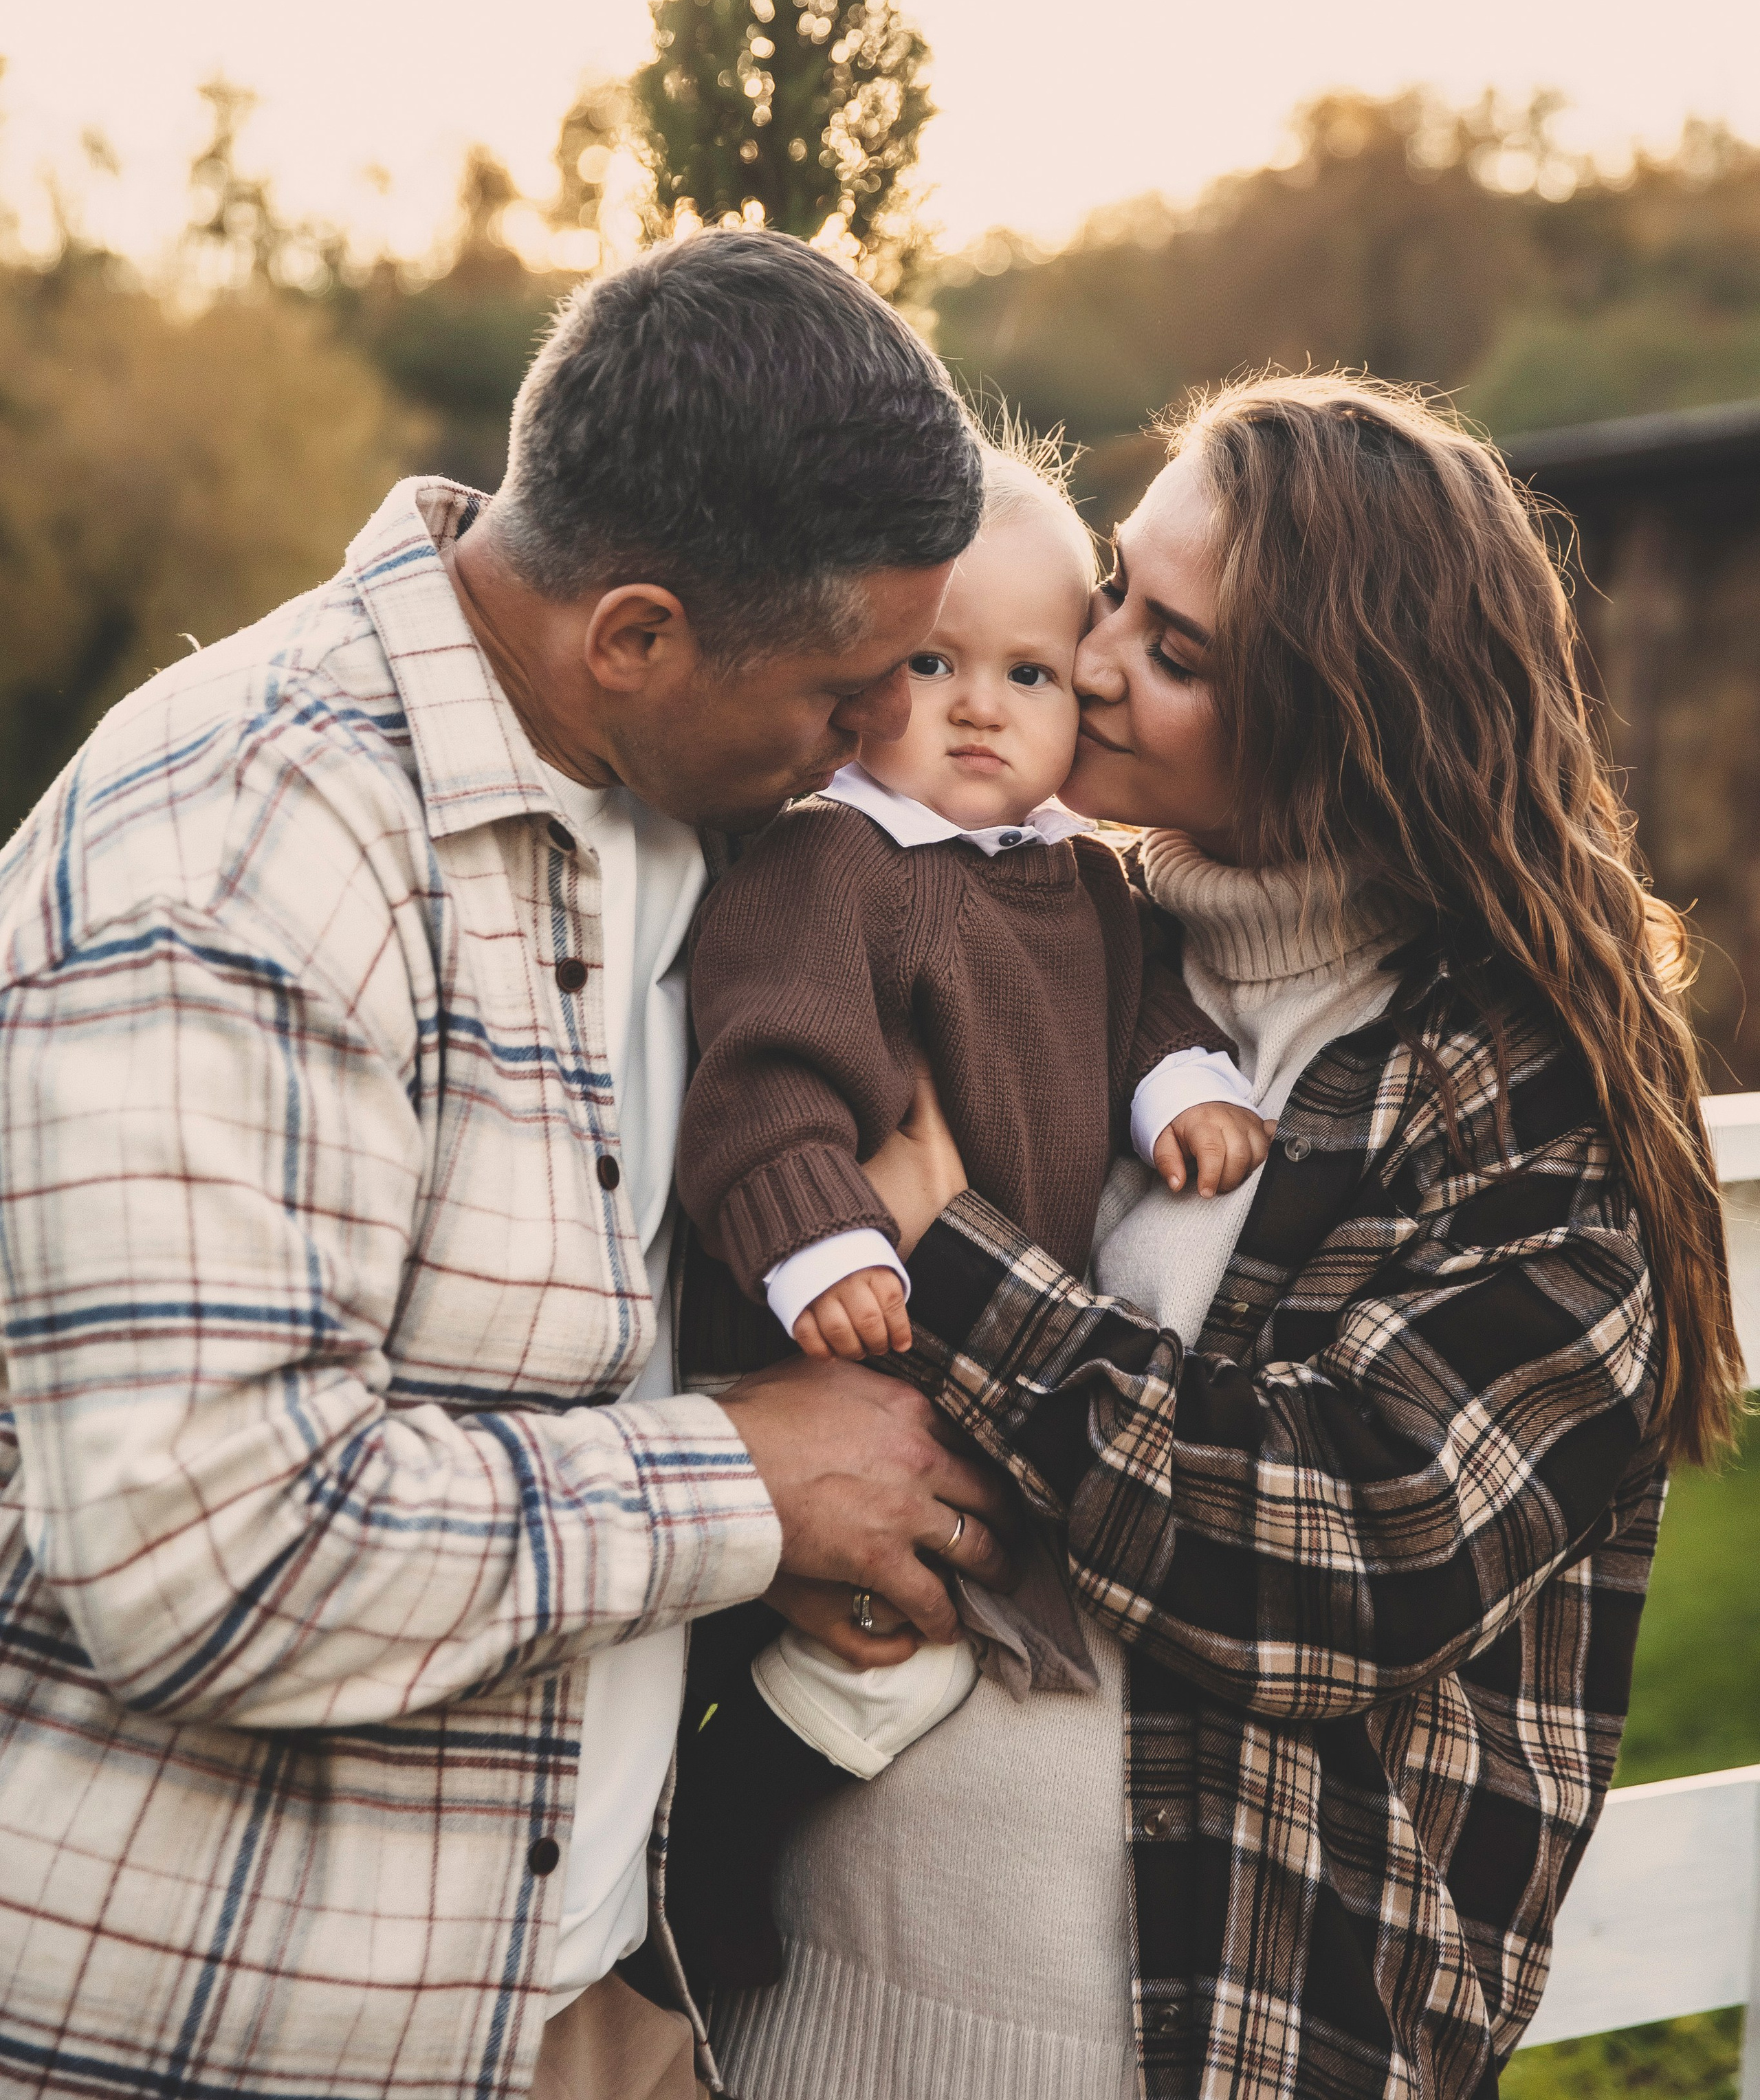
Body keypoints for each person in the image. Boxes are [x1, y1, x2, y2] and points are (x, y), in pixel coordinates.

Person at [0, 230, 1021, 2100]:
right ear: (633, 634)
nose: (880, 735)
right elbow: (200, 1550)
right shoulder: (240, 856)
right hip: (233, 2031)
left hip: (576, 1993)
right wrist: (746, 1483)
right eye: (843, 688)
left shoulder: (698, 811)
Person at [698, 374, 1744, 2100]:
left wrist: (952, 1261)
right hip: (793, 2020)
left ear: (1345, 727)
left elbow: (1351, 1548)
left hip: (1184, 2052)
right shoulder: (1023, 923)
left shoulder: (1522, 1098)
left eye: (1173, 651)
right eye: (1115, 587)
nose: (1090, 655)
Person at [666, 442, 1268, 1987]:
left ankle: (708, 1849)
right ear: (864, 670)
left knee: (899, 1649)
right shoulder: (835, 859)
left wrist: (1178, 1085)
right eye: (932, 663)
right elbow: (763, 1072)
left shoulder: (1087, 883)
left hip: (976, 1355)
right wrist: (819, 1241)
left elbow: (1134, 1013)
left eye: (1028, 672)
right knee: (808, 1632)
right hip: (833, 1330)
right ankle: (696, 1860)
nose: (980, 707)